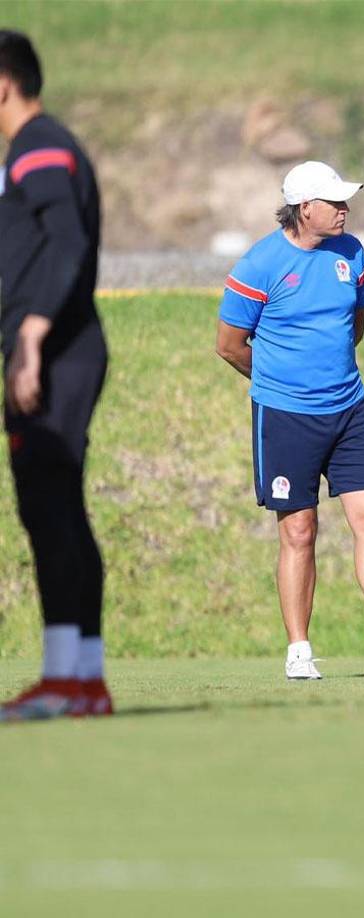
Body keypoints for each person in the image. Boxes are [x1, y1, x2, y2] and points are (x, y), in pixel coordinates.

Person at [215, 161, 364, 679]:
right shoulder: (259, 265)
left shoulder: (353, 253)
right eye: (334, 202)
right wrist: (281, 381)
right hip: (285, 416)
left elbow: (355, 325)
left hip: (350, 409)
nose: (345, 209)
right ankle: (299, 650)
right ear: (304, 208)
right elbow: (229, 345)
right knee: (299, 531)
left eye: (345, 201)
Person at [0, 31, 112, 722]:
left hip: (57, 352)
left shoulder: (37, 144)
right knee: (57, 506)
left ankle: (64, 680)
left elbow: (68, 240)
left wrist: (32, 335)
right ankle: (82, 682)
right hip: (63, 350)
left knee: (49, 507)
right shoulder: (37, 146)